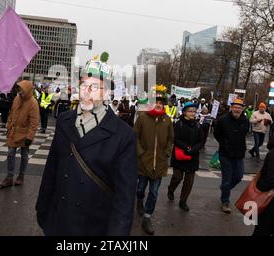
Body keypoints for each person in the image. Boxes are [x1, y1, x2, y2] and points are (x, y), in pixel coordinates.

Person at [36, 52, 137, 236]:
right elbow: (52, 169)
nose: (86, 91)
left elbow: (125, 197)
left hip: (94, 228)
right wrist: (42, 211)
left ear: (106, 93)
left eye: (94, 87)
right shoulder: (64, 120)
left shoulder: (124, 135)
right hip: (57, 222)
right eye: (83, 85)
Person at [134, 85, 173, 235]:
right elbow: (135, 136)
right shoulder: (143, 118)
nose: (159, 104)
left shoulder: (167, 120)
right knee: (140, 188)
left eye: (161, 102)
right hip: (144, 161)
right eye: (156, 101)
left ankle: (147, 217)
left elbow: (171, 139)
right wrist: (141, 153)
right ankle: (139, 201)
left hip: (160, 163)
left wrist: (167, 153)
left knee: (155, 192)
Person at [0, 80, 39, 188]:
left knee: (24, 156)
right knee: (10, 154)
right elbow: (11, 113)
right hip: (14, 131)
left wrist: (30, 137)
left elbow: (34, 122)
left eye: (21, 89)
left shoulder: (33, 103)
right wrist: (8, 126)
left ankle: (21, 176)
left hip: (25, 133)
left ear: (27, 90)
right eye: (19, 89)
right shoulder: (17, 99)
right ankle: (9, 177)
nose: (19, 91)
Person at [213, 98, 249, 213]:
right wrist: (224, 143)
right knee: (227, 179)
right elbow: (216, 133)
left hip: (239, 153)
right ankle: (225, 201)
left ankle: (224, 188)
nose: (237, 109)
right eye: (235, 107)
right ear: (231, 107)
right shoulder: (223, 119)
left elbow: (245, 134)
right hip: (225, 153)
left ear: (242, 108)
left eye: (239, 107)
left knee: (239, 176)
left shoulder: (245, 120)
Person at [167, 102, 203, 212]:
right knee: (177, 177)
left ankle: (183, 201)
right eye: (190, 111)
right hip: (179, 155)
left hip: (193, 156)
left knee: (189, 181)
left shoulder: (198, 125)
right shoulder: (178, 124)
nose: (192, 113)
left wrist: (193, 149)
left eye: (194, 111)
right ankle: (171, 189)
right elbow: (175, 139)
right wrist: (186, 147)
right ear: (184, 112)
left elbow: (201, 141)